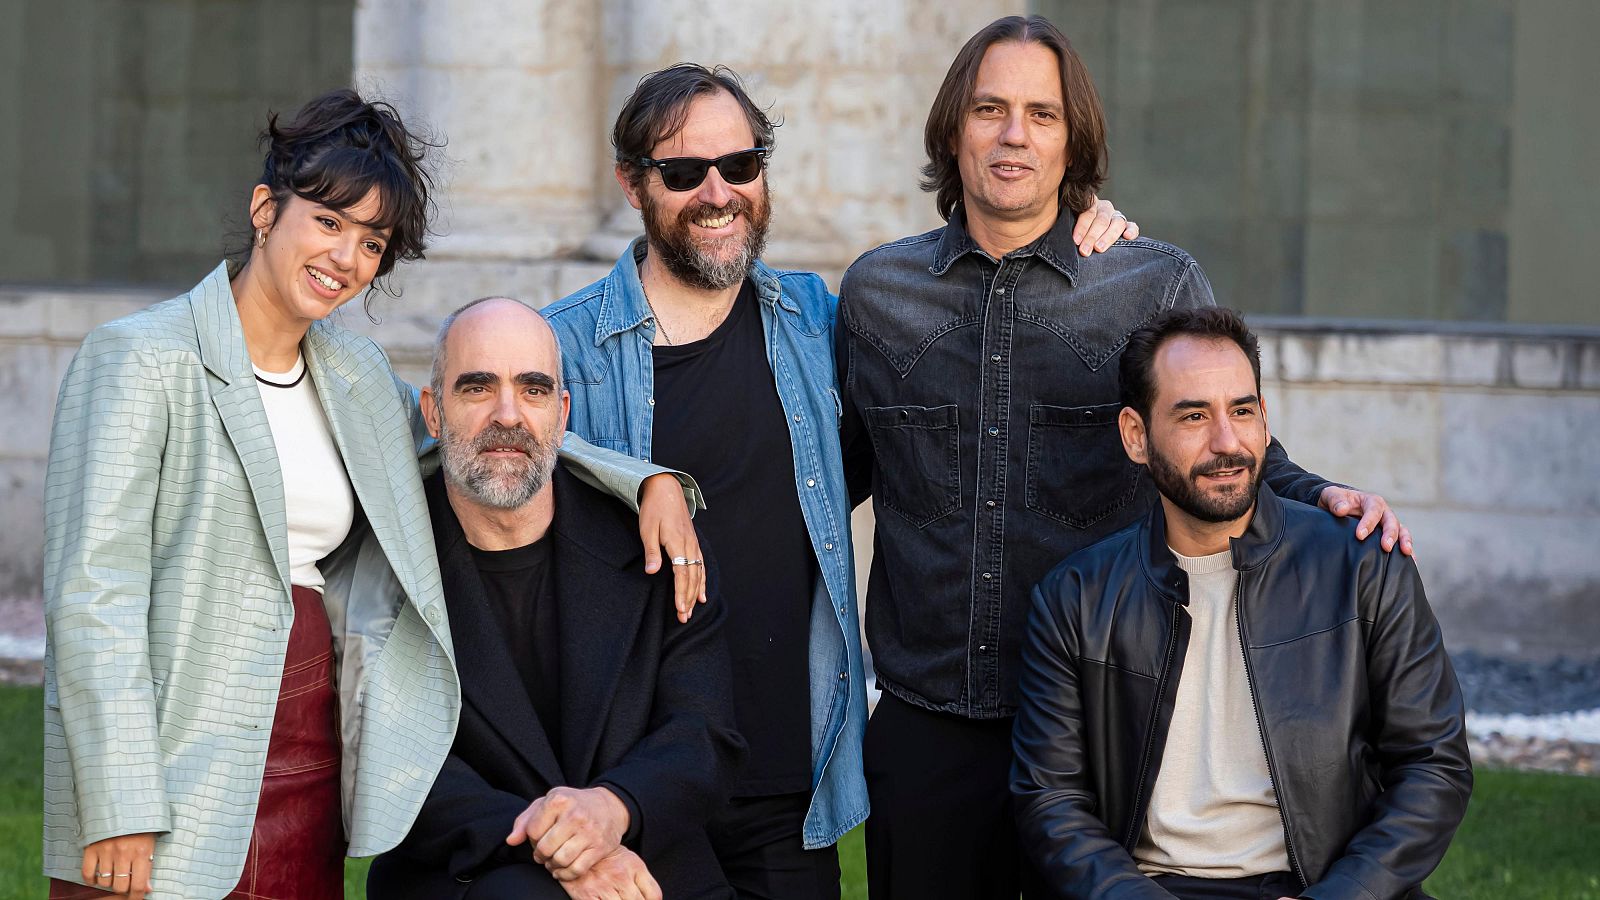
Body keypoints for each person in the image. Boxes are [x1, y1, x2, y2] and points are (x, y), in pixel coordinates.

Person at [43, 90, 701, 900]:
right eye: (327, 221)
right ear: (263, 209)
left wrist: (646, 480)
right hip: (175, 746)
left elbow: (484, 432)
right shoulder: (140, 359)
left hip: (309, 743)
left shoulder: (356, 379)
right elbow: (92, 596)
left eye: (372, 241)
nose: (345, 257)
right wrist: (119, 797)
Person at [835, 16, 1414, 900]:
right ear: (954, 129)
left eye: (1042, 113)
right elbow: (832, 475)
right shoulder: (877, 292)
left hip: (1111, 723)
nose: (1014, 134)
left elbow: (1223, 439)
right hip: (931, 722)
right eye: (990, 109)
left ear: (1076, 141)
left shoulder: (1151, 284)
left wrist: (1331, 496)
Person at [543, 62, 1134, 899]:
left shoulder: (826, 321)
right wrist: (639, 478)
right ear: (633, 187)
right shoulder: (559, 348)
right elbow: (478, 462)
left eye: (740, 166)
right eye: (683, 173)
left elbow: (971, 360)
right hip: (633, 772)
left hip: (790, 776)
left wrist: (1075, 223)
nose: (718, 193)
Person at [1012, 307, 1472, 899]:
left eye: (1242, 410)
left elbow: (1434, 766)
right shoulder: (1077, 599)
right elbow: (1051, 799)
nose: (1227, 443)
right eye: (1194, 415)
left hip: (1328, 884)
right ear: (1136, 436)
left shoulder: (1363, 566)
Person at [368, 297, 745, 900]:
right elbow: (388, 757)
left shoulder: (656, 543)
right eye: (477, 388)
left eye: (534, 389)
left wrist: (613, 808)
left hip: (647, 870)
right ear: (433, 413)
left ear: (562, 413)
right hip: (473, 871)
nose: (508, 415)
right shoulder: (381, 562)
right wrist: (565, 850)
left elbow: (704, 734)